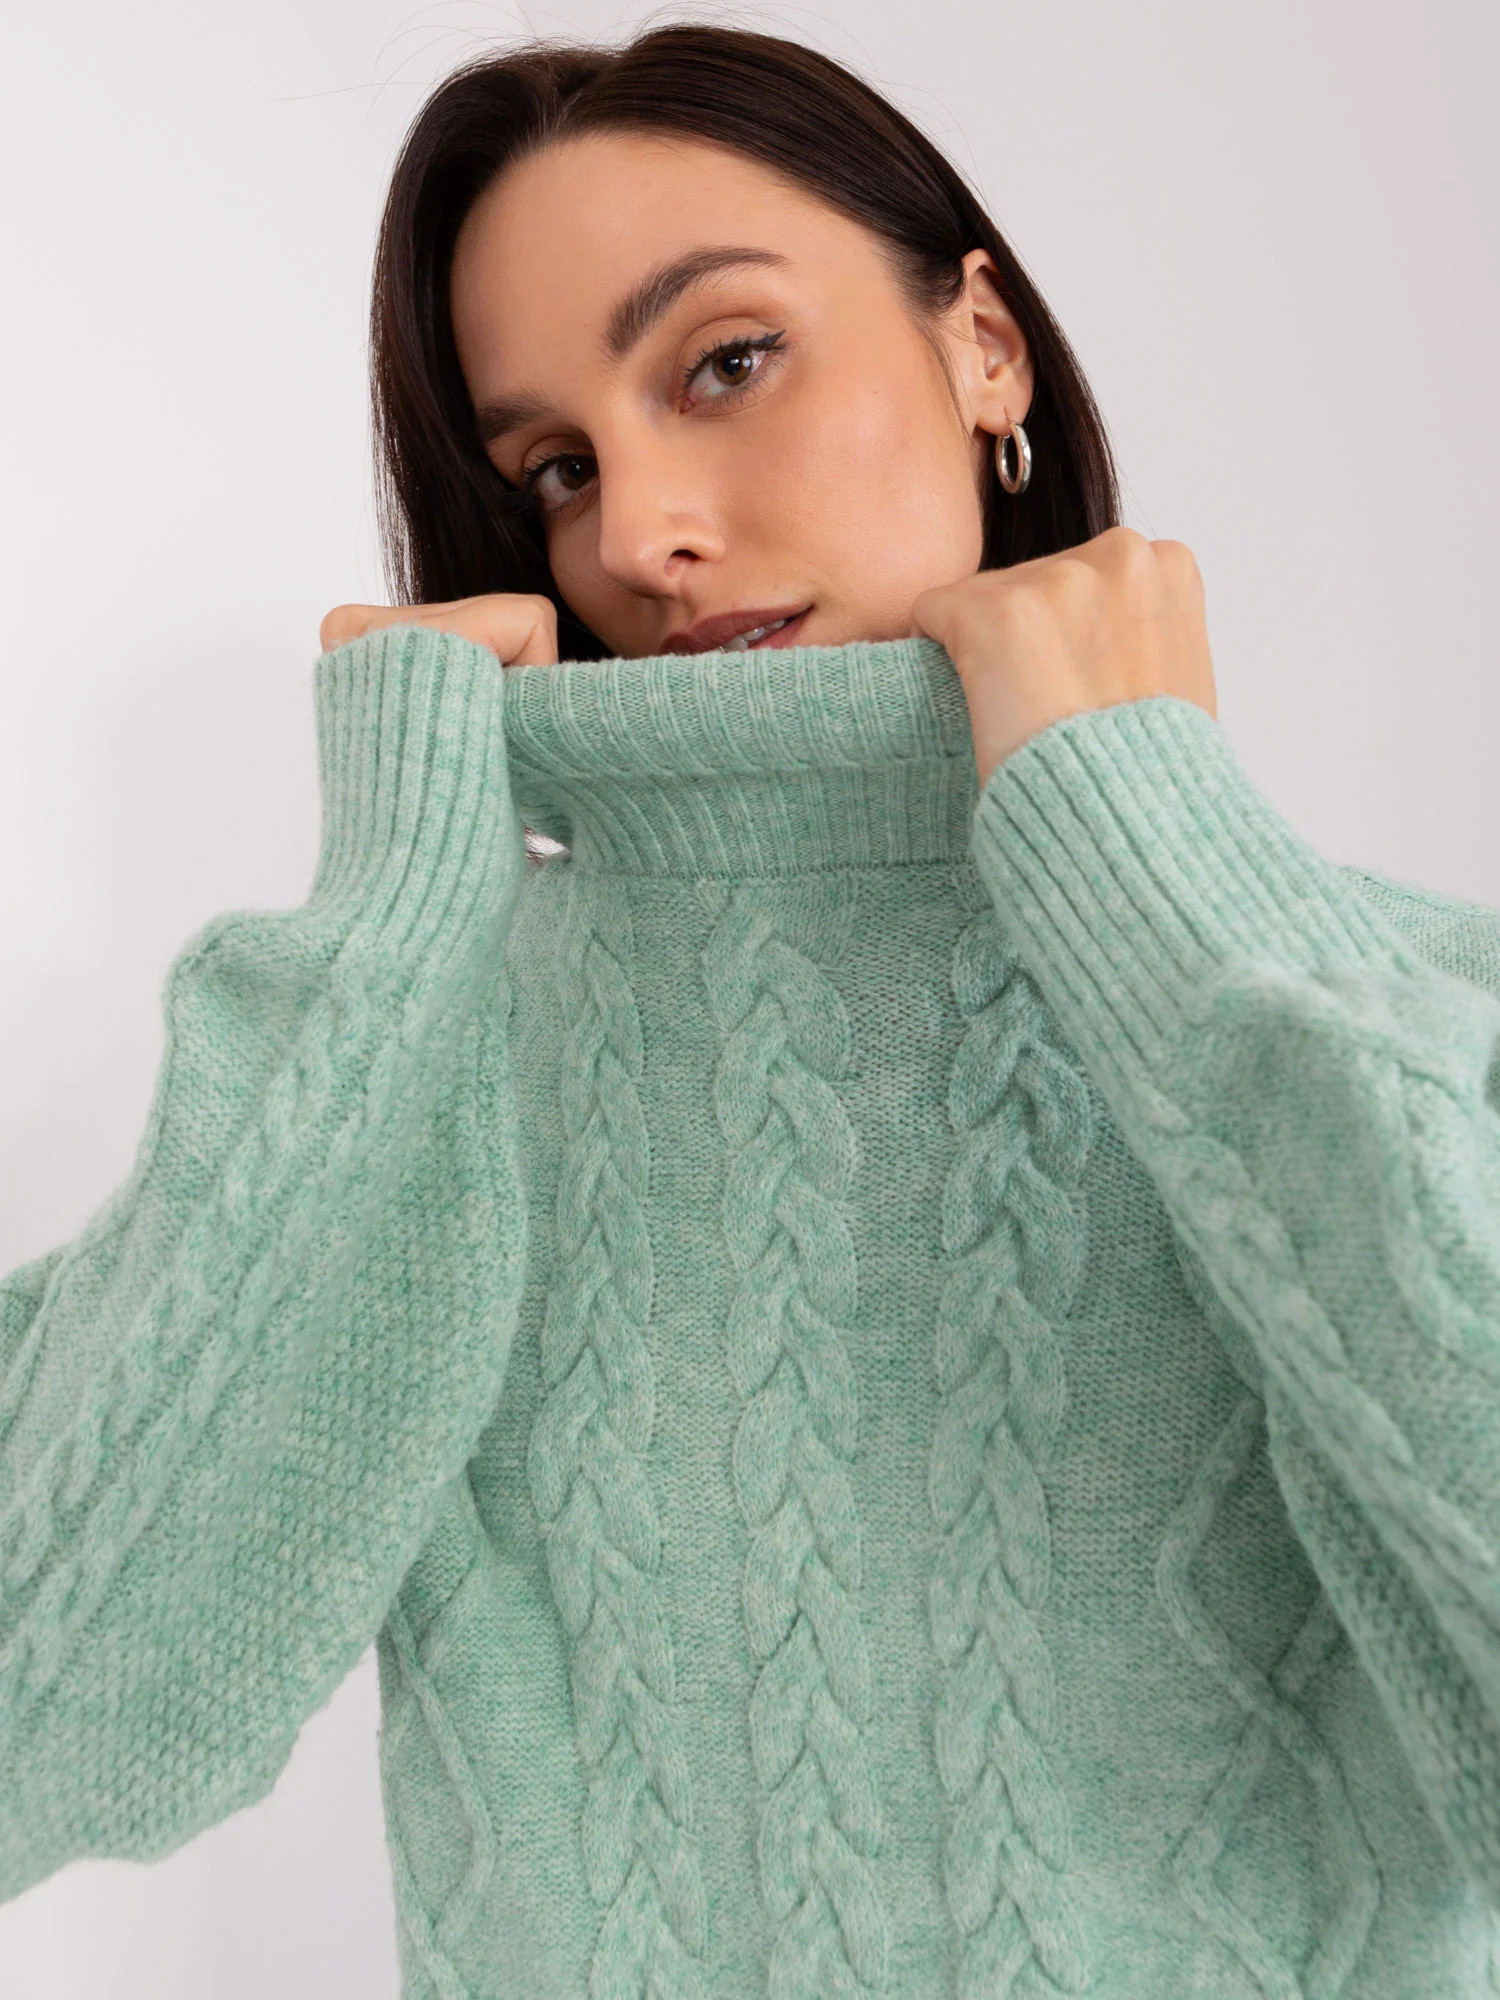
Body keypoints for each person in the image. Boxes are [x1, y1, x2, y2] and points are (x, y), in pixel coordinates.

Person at [2, 22, 1498, 2000]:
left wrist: (1155, 865)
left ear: (984, 345)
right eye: (555, 468)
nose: (637, 535)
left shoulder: (1373, 1009)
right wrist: (385, 936)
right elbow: (37, 1736)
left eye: (726, 361)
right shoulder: (423, 1063)